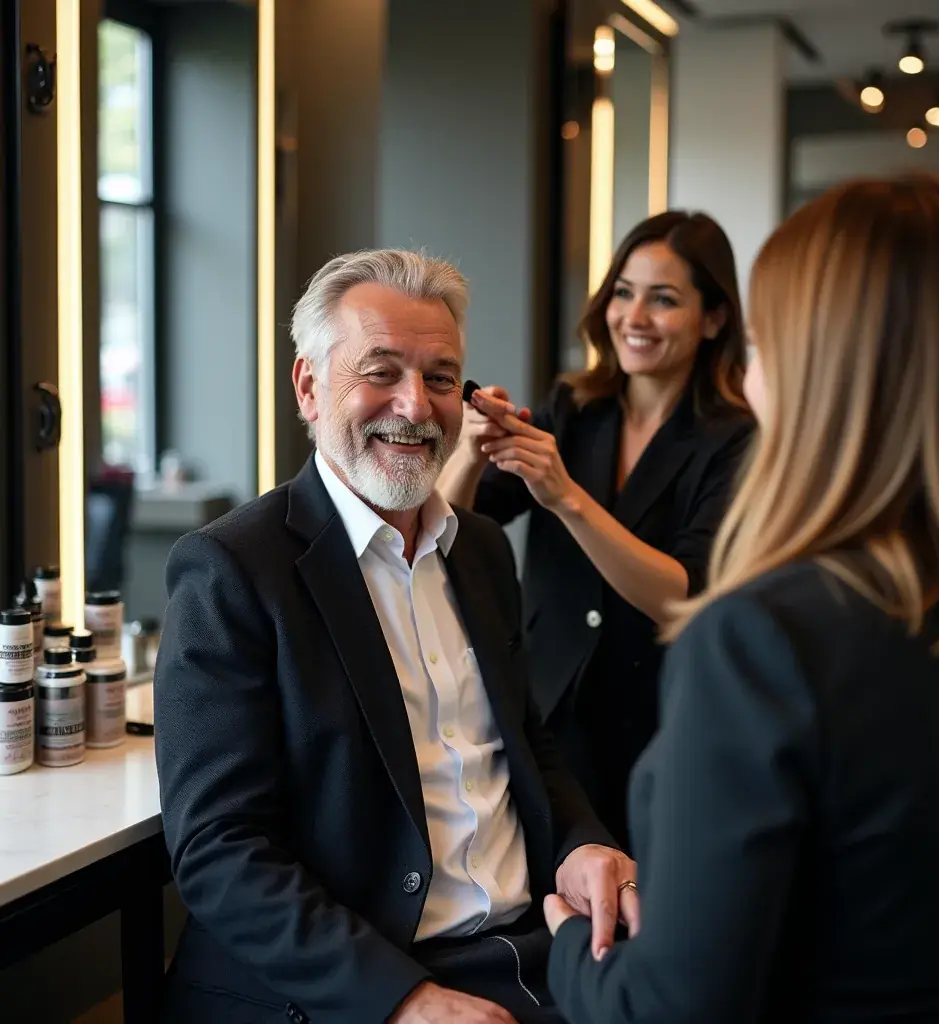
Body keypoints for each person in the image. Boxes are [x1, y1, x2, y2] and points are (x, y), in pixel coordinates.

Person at [543, 172, 939, 1023]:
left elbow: (671, 1010)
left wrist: (568, 948)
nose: (750, 384)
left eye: (762, 349)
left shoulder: (764, 641)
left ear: (821, 374)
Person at [154, 250, 638, 1024]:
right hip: (368, 975)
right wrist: (402, 999)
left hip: (534, 946)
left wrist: (581, 844)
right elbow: (220, 851)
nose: (415, 407)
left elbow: (526, 747)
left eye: (441, 378)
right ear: (310, 388)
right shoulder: (231, 570)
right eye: (381, 372)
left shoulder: (479, 549)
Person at [438, 212, 753, 845]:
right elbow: (449, 531)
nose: (634, 317)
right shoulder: (574, 408)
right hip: (539, 715)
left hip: (659, 725)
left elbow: (684, 594)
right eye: (624, 292)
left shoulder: (735, 441)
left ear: (714, 318)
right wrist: (470, 451)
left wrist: (567, 498)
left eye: (663, 300)